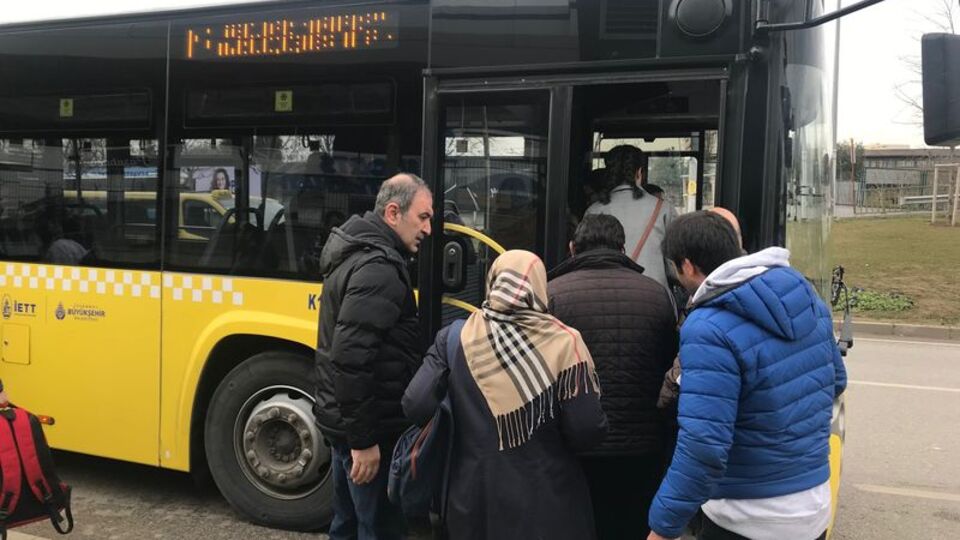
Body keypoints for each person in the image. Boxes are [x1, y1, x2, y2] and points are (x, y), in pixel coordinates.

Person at [647, 211, 847, 540]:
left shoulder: (708, 326)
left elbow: (704, 445)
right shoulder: (805, 295)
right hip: (813, 503)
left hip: (747, 516)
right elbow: (836, 380)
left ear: (686, 265)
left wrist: (663, 526)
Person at [403, 250, 608, 540]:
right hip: (549, 502)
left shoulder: (454, 337)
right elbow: (587, 430)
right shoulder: (565, 342)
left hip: (471, 499)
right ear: (539, 287)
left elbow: (415, 405)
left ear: (493, 282)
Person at [313, 173, 434, 540]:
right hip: (369, 432)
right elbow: (351, 359)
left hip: (348, 424)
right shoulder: (379, 267)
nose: (429, 229)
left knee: (347, 524)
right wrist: (364, 443)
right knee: (378, 528)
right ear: (394, 212)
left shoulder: (360, 253)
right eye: (424, 217)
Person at [546, 214, 678, 540]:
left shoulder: (551, 294)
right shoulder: (658, 295)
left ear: (572, 248)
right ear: (623, 248)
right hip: (642, 446)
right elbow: (668, 368)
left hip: (574, 446)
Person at [586, 145, 676, 291]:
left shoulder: (594, 210)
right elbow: (675, 265)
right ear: (639, 172)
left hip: (606, 292)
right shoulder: (663, 209)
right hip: (653, 293)